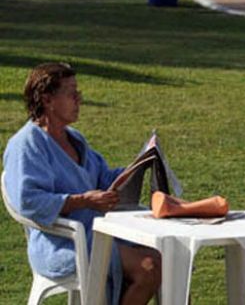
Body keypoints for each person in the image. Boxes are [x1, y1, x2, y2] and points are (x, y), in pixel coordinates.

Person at [2, 63, 161, 305]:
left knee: (169, 258)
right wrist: (83, 201)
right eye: (71, 93)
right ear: (47, 99)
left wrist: (140, 165)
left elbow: (103, 179)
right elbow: (28, 201)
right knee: (149, 268)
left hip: (99, 235)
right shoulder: (26, 145)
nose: (79, 99)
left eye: (79, 93)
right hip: (63, 244)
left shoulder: (75, 139)